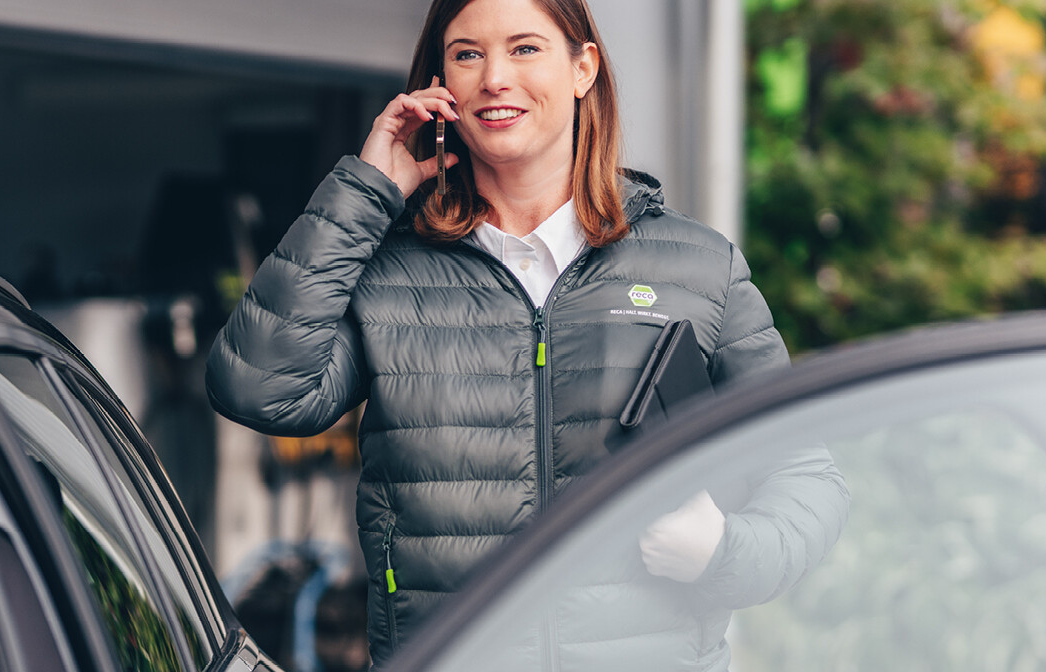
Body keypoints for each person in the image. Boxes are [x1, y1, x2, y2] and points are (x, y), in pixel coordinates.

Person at [206, 0, 849, 668]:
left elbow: (807, 479)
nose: (494, 78)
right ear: (438, 88)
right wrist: (365, 192)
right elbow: (257, 387)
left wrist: (722, 553)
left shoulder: (697, 266)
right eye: (467, 54)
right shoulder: (391, 271)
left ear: (583, 68)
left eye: (525, 49)